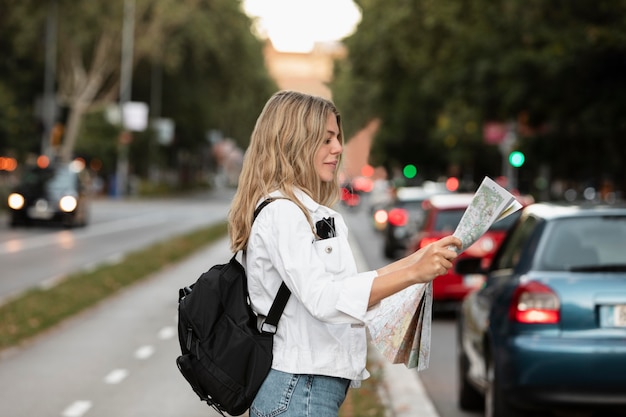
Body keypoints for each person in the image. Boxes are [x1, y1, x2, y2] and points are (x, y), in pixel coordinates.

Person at [228, 90, 461, 417]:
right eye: (326, 139)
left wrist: (420, 261)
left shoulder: (302, 211)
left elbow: (345, 286)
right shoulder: (283, 213)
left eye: (337, 138)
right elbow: (325, 300)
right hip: (300, 390)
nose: (338, 148)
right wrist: (412, 273)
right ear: (294, 142)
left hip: (306, 389)